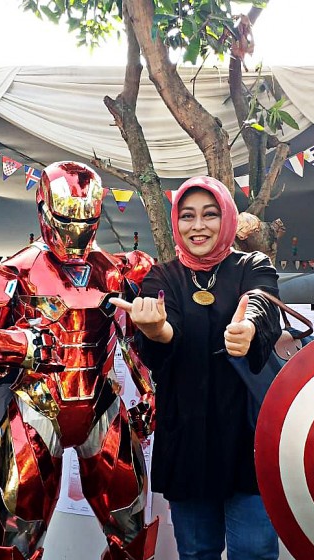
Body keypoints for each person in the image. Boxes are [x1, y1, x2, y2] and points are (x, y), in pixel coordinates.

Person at [0, 160, 159, 560]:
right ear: (45, 209)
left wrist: (147, 389)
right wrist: (16, 344)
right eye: (66, 217)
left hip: (101, 404)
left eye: (86, 219)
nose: (75, 230)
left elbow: (135, 340)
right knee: (16, 538)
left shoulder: (117, 271)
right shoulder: (12, 272)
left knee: (131, 532)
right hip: (36, 407)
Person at [111, 176, 283, 560]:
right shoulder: (163, 276)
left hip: (247, 436)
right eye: (187, 216)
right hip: (189, 435)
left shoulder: (252, 265)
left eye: (209, 214)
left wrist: (249, 328)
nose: (198, 226)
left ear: (227, 218)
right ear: (176, 222)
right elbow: (168, 324)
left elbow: (263, 301)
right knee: (196, 552)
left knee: (254, 551)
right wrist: (155, 329)